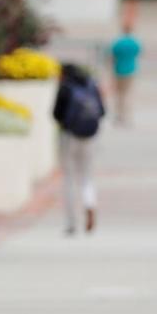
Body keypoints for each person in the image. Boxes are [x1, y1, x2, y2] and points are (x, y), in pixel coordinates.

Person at [53, 62, 105, 235]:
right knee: (87, 177)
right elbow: (102, 112)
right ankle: (89, 203)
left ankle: (71, 223)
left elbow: (55, 114)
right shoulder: (91, 85)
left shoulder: (65, 88)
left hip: (69, 137)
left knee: (69, 178)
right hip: (90, 137)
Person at [109, 15, 142, 127]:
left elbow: (112, 57)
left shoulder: (118, 43)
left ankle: (119, 115)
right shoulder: (134, 43)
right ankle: (127, 116)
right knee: (127, 94)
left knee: (119, 95)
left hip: (119, 70)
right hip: (131, 70)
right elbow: (138, 54)